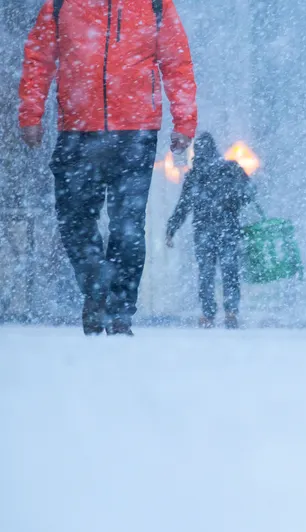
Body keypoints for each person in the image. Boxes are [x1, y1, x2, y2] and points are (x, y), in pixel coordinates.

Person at [20, 0, 197, 335]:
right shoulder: (60, 4)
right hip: (78, 130)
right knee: (74, 220)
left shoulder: (155, 5)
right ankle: (98, 288)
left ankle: (119, 312)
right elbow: (39, 58)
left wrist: (185, 122)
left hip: (134, 132)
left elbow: (177, 63)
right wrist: (31, 112)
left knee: (127, 228)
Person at [166, 133, 252, 329]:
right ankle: (231, 311)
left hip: (203, 230)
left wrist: (171, 228)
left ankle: (208, 314)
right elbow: (249, 193)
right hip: (228, 227)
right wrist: (233, 201)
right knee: (230, 271)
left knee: (206, 273)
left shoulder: (194, 175)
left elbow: (183, 206)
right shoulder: (231, 168)